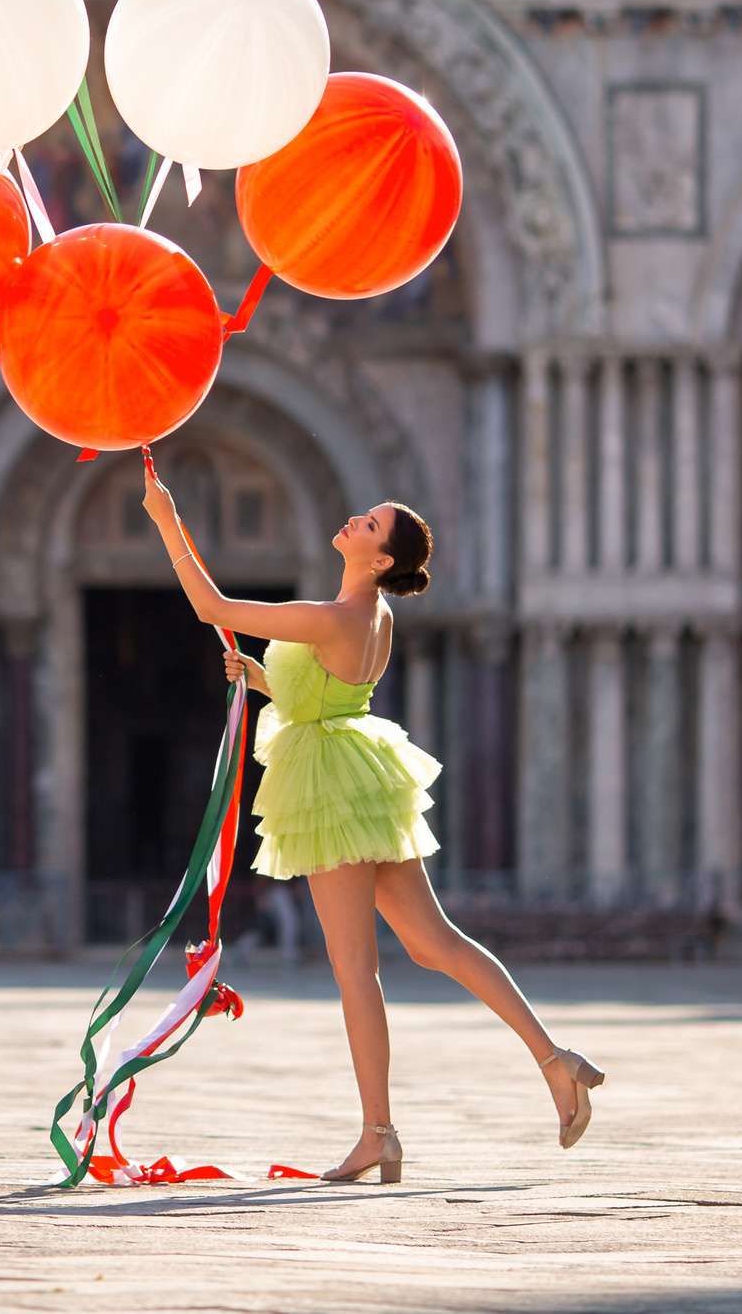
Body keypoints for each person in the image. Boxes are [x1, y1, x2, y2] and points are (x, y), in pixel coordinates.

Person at [142, 473, 605, 1183]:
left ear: (381, 558)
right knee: (435, 942)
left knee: (358, 968)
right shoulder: (374, 617)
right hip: (361, 772)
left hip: (330, 782)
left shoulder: (333, 615)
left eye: (369, 524)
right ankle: (554, 1059)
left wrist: (168, 519)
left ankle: (378, 1132)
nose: (355, 520)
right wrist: (265, 680)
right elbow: (329, 690)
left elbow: (211, 605)